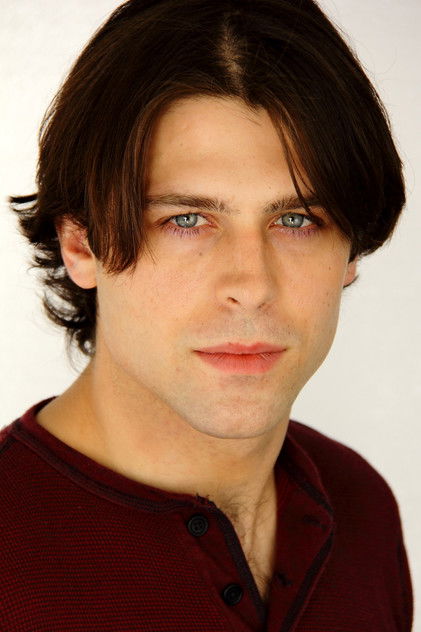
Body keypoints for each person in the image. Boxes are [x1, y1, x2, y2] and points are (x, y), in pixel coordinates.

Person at [1, 0, 413, 629]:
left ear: (351, 251)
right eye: (187, 219)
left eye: (296, 219)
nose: (252, 286)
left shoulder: (362, 506)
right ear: (81, 245)